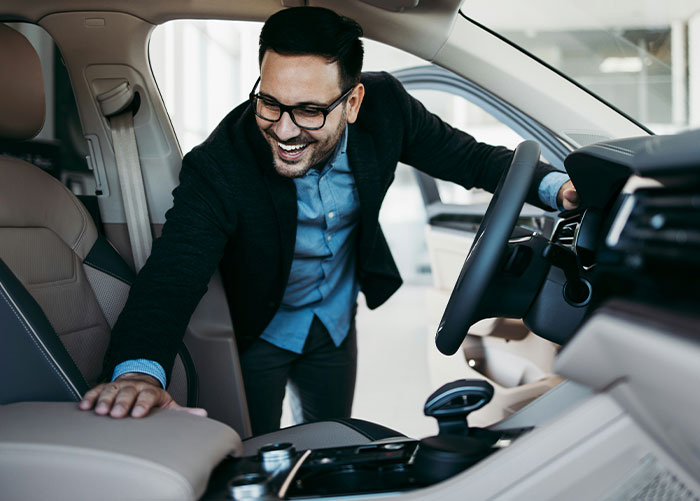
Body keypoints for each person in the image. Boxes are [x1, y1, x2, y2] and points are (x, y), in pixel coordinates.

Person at [79, 7, 579, 434]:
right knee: (260, 449)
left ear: (354, 102)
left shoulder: (389, 110)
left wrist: (559, 188)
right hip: (262, 329)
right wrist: (139, 373)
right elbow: (174, 271)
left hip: (337, 322)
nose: (285, 130)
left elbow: (475, 160)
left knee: (332, 431)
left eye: (310, 111)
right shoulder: (221, 164)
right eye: (269, 102)